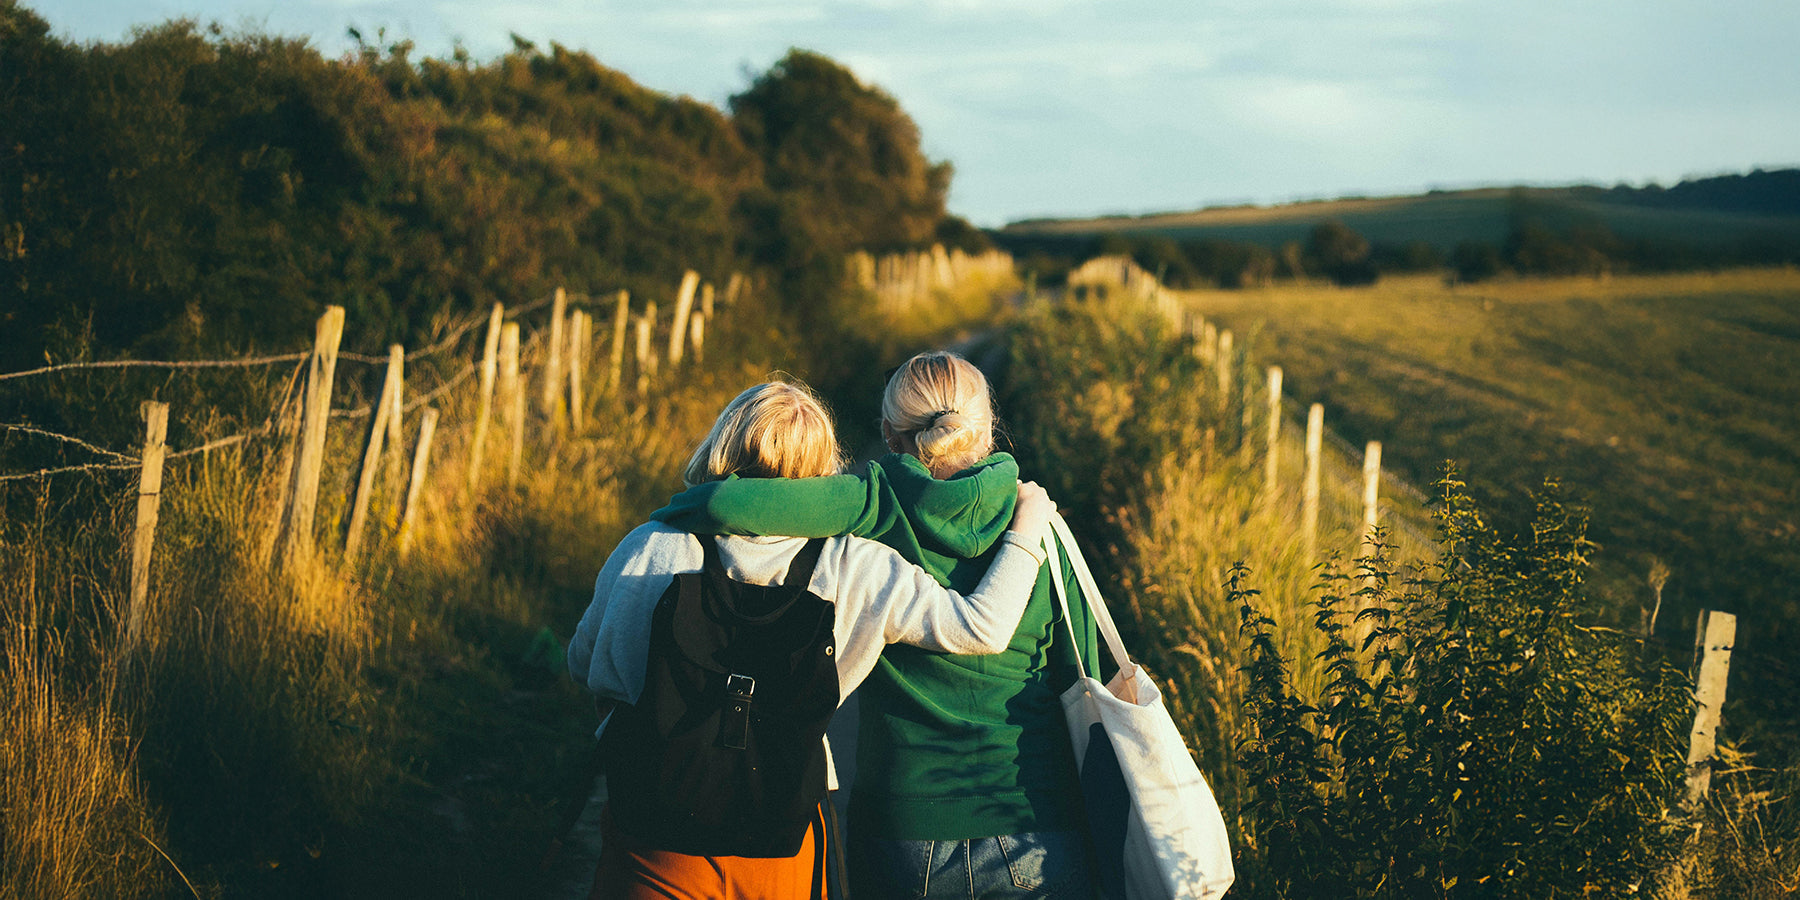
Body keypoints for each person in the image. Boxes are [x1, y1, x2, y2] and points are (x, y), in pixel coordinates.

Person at [567, 379, 1058, 900]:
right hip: (785, 829)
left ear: (721, 445)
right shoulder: (857, 564)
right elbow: (981, 626)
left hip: (655, 830)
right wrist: (1027, 528)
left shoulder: (651, 546)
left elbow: (585, 663)